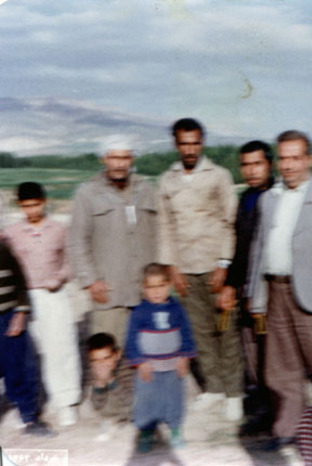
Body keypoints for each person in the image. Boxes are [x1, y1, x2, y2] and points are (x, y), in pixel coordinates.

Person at [247, 130, 312, 449]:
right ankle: (287, 429)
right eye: (283, 158)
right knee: (280, 368)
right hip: (276, 290)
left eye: (296, 158)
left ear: (309, 159)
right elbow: (259, 248)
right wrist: (256, 296)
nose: (289, 165)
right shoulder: (269, 198)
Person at [157, 118, 241, 419]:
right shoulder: (167, 180)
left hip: (215, 265)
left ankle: (234, 392)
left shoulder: (218, 176)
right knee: (198, 332)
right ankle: (214, 388)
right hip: (186, 269)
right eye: (184, 144)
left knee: (226, 330)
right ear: (176, 144)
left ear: (202, 143)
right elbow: (165, 226)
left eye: (195, 143)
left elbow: (230, 222)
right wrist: (172, 268)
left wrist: (224, 263)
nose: (190, 150)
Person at [67, 134, 157, 347]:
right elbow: (77, 241)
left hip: (144, 291)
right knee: (109, 352)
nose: (119, 164)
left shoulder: (145, 189)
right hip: (109, 291)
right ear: (104, 159)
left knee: (145, 351)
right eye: (114, 158)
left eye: (125, 158)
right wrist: (90, 281)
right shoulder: (87, 193)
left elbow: (158, 233)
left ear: (132, 160)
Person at [4, 182, 82, 427]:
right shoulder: (11, 233)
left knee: (61, 347)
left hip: (53, 295)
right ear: (20, 206)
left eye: (36, 205)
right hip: (23, 299)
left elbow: (71, 261)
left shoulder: (59, 229)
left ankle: (65, 401)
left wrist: (59, 278)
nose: (32, 210)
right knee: (25, 353)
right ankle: (27, 404)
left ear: (45, 202)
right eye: (27, 206)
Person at [218, 140, 274, 426]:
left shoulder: (278, 196)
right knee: (251, 345)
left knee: (274, 348)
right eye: (246, 165)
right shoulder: (246, 198)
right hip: (246, 286)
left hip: (271, 286)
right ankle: (263, 402)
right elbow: (241, 248)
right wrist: (231, 284)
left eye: (257, 164)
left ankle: (280, 405)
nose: (251, 171)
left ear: (269, 165)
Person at [124, 263, 197, 453]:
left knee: (174, 398)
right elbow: (131, 339)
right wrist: (140, 362)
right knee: (147, 400)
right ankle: (146, 432)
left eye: (160, 286)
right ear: (143, 288)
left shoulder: (177, 309)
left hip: (173, 365)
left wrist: (185, 357)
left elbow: (186, 334)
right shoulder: (139, 312)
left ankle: (175, 429)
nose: (156, 291)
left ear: (169, 285)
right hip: (148, 367)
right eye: (151, 287)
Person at [0, 240, 54, 436]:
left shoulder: (3, 249)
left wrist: (21, 313)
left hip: (8, 318)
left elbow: (20, 283)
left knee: (20, 368)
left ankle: (30, 417)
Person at [87, 332, 134, 436]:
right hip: (112, 412)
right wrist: (100, 383)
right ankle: (114, 420)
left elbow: (130, 400)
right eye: (95, 360)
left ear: (117, 355)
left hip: (130, 406)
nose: (102, 364)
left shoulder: (127, 366)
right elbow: (97, 405)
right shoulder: (95, 369)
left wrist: (111, 380)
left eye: (106, 358)